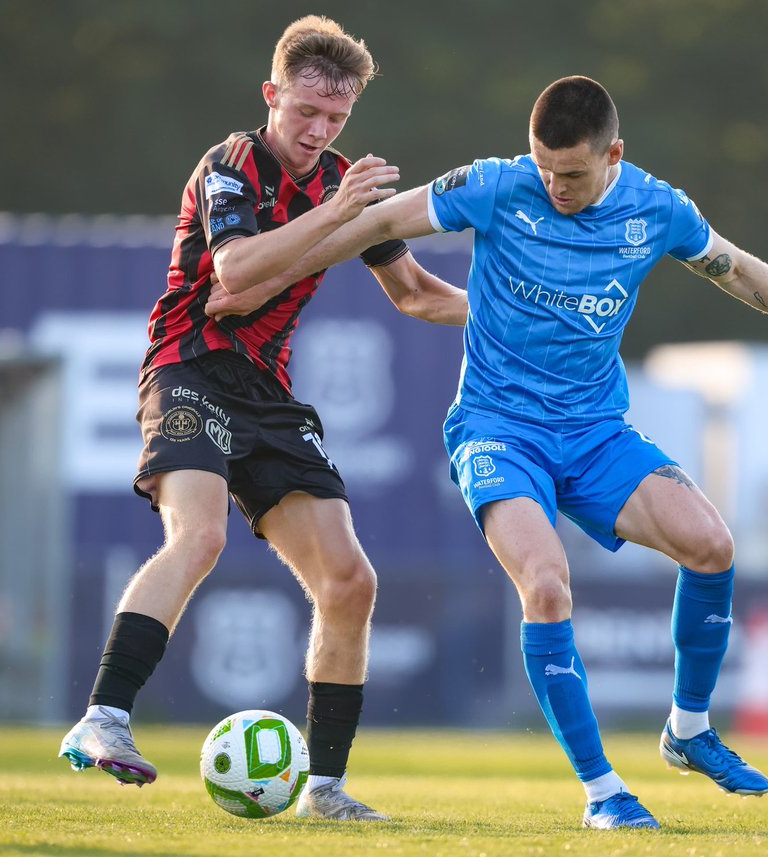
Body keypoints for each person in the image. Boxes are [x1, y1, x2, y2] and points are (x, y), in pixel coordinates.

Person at [209, 75, 768, 830]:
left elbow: (737, 268)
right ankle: (604, 792)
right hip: (497, 429)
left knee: (711, 545)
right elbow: (377, 221)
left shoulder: (657, 209)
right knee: (546, 585)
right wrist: (267, 276)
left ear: (614, 155)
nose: (555, 186)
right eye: (544, 168)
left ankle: (688, 730)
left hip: (596, 431)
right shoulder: (493, 185)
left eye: (571, 173)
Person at [58, 16, 465, 823]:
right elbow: (236, 273)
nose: (318, 131)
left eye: (336, 117)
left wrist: (520, 315)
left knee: (349, 581)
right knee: (200, 535)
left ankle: (326, 789)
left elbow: (418, 294)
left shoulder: (342, 182)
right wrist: (343, 214)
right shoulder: (232, 164)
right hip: (188, 367)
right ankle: (103, 717)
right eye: (306, 111)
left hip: (268, 393)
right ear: (272, 95)